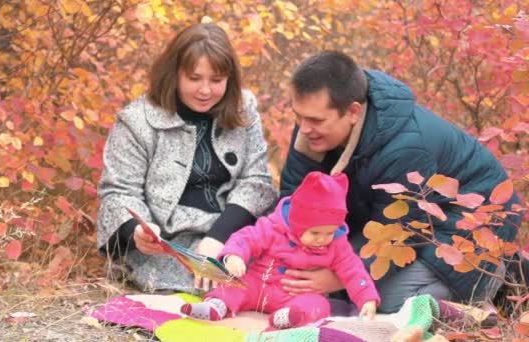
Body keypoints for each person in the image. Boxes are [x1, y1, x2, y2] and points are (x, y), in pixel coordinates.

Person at [279, 50, 520, 313]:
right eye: (298, 117)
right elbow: (295, 199)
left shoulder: (406, 148)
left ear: (352, 112)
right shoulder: (312, 125)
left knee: (387, 301)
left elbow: (395, 232)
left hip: (469, 222)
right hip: (403, 220)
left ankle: (497, 281)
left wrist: (338, 276)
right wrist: (293, 252)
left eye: (314, 120)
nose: (303, 128)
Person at [96, 23, 278, 294]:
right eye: (194, 78)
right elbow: (118, 192)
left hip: (238, 234)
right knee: (231, 286)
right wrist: (137, 231)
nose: (205, 90)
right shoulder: (136, 121)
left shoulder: (244, 107)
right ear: (174, 74)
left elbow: (257, 182)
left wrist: (217, 239)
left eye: (216, 81)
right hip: (171, 243)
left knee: (286, 267)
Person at [180, 172, 380, 329]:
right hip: (259, 284)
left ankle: (291, 317)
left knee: (319, 305)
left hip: (293, 295)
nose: (323, 239)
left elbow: (354, 270)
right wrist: (234, 256)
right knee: (235, 286)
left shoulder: (336, 243)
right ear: (297, 223)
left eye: (330, 232)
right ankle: (216, 305)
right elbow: (247, 238)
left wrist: (367, 298)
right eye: (315, 233)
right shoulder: (274, 228)